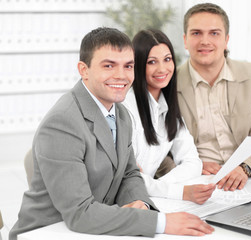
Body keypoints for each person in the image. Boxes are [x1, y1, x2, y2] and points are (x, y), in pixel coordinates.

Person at [9, 27, 214, 240]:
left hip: (95, 227)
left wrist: (141, 204)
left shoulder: (120, 113)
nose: (121, 75)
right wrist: (160, 222)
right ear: (83, 70)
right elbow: (80, 214)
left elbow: (129, 174)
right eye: (109, 65)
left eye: (128, 66)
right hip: (48, 232)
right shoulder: (62, 123)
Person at [177, 3, 251, 191]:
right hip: (197, 178)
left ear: (226, 39)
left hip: (247, 175)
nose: (205, 41)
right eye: (196, 33)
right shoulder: (169, 83)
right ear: (185, 40)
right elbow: (157, 147)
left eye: (214, 33)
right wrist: (192, 167)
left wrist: (244, 168)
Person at [122, 29, 216, 205]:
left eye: (167, 59)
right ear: (139, 65)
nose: (162, 68)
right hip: (121, 202)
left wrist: (158, 186)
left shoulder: (167, 106)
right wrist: (176, 191)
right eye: (152, 62)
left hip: (147, 198)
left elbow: (192, 162)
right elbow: (129, 178)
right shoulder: (126, 108)